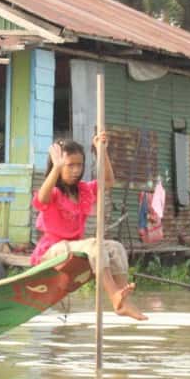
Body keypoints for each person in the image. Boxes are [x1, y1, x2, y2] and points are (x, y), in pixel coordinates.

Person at [31, 134, 147, 320]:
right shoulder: (53, 191)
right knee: (94, 244)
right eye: (70, 165)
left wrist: (102, 151)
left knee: (116, 247)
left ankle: (124, 300)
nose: (76, 170)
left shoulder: (84, 190)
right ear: (59, 166)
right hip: (51, 251)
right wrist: (57, 167)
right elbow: (42, 198)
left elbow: (108, 181)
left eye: (79, 165)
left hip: (76, 248)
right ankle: (114, 296)